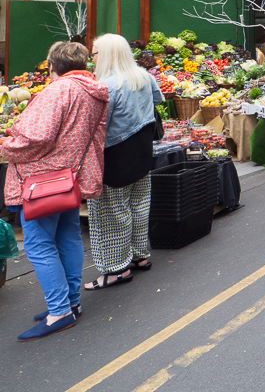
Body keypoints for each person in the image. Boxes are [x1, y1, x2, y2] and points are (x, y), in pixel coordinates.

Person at [0, 42, 109, 341]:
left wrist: (5, 146)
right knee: (68, 236)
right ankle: (71, 302)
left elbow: (37, 137)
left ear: (52, 66)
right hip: (69, 179)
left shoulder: (58, 90)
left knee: (38, 245)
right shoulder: (93, 89)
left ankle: (59, 311)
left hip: (42, 181)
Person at [84, 34, 164, 292]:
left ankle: (116, 269)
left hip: (115, 156)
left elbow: (95, 124)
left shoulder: (107, 85)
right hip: (142, 151)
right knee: (139, 204)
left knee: (111, 213)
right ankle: (140, 256)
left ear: (106, 55)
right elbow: (159, 102)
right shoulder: (143, 76)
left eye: (94, 53)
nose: (92, 58)